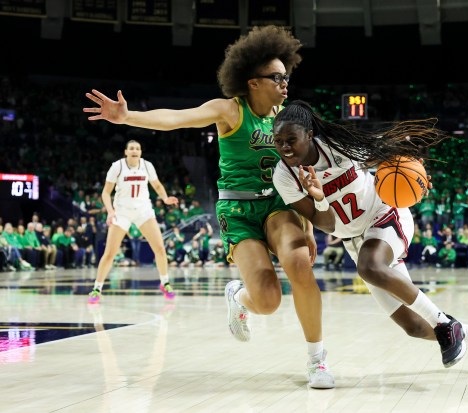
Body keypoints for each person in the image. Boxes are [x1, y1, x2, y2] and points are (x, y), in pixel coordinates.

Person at [82, 26, 334, 388]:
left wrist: (308, 224)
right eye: (276, 77)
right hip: (239, 211)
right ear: (252, 82)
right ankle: (240, 296)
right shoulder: (229, 110)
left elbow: (299, 168)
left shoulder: (287, 115)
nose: (285, 83)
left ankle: (317, 361)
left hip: (280, 205)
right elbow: (175, 118)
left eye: (286, 76)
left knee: (299, 264)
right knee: (267, 302)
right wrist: (128, 117)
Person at [271, 100, 468, 374]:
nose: (284, 147)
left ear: (309, 135)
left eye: (290, 139)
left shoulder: (341, 146)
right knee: (413, 326)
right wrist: (319, 198)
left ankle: (446, 325)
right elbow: (325, 223)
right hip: (353, 239)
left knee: (369, 267)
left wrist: (418, 177)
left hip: (384, 215)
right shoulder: (284, 176)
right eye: (278, 140)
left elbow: (392, 156)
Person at [85, 140, 179, 304]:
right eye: (131, 148)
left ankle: (165, 283)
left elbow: (156, 185)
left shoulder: (147, 165)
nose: (134, 151)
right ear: (126, 152)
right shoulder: (117, 166)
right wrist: (110, 211)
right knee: (110, 253)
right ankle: (96, 289)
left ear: (140, 152)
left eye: (137, 148)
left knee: (160, 249)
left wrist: (165, 198)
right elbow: (106, 193)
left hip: (143, 211)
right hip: (122, 212)